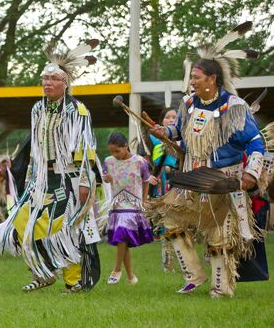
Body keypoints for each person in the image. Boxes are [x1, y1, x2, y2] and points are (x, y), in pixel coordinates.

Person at [150, 21, 264, 298]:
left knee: (218, 233)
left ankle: (221, 287)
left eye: (197, 78)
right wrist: (165, 131)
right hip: (191, 176)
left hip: (223, 179)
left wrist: (252, 172)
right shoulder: (189, 104)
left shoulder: (235, 107)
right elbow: (180, 131)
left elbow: (255, 141)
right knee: (171, 219)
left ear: (212, 79)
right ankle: (194, 274)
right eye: (192, 79)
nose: (192, 82)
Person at [0, 39, 101, 293]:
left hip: (69, 179)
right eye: (44, 79)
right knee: (21, 223)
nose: (47, 83)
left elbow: (85, 147)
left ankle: (73, 282)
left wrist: (85, 181)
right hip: (41, 179)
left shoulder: (77, 110)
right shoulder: (37, 109)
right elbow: (35, 147)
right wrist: (31, 175)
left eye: (53, 79)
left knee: (65, 230)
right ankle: (42, 272)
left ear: (66, 84)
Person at [103, 132, 154, 285]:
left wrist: (144, 200)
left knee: (122, 232)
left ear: (126, 146)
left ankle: (116, 269)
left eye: (117, 151)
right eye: (111, 151)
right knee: (122, 239)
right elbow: (106, 177)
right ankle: (131, 277)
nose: (114, 154)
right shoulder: (108, 161)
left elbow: (146, 181)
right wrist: (107, 179)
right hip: (118, 204)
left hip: (133, 204)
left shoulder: (139, 162)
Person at [147, 107, 178, 273]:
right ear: (161, 121)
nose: (172, 119)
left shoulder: (183, 139)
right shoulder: (153, 137)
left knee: (181, 224)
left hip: (180, 182)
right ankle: (167, 262)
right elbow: (146, 161)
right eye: (168, 117)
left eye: (174, 117)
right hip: (161, 184)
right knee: (166, 224)